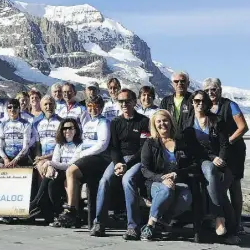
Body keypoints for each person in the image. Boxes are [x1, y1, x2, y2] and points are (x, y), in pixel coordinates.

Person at [90, 89, 150, 239]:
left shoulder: (143, 121)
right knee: (104, 181)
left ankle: (133, 227)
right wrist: (118, 163)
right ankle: (99, 223)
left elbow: (144, 148)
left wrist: (127, 165)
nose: (124, 104)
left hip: (137, 160)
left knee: (127, 180)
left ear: (134, 102)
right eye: (121, 101)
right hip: (119, 160)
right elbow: (114, 147)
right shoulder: (116, 122)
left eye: (127, 100)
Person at [139, 110, 206, 241]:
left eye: (165, 120)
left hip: (178, 181)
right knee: (166, 189)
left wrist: (177, 173)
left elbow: (194, 164)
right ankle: (150, 225)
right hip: (155, 183)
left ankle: (162, 222)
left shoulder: (181, 142)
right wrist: (161, 179)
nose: (162, 124)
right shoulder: (150, 143)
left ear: (171, 123)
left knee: (186, 196)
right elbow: (145, 170)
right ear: (154, 124)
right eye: (158, 121)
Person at [185, 90, 237, 243]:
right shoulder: (188, 122)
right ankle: (220, 218)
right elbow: (192, 148)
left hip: (220, 161)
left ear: (207, 103)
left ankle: (230, 229)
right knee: (209, 169)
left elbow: (224, 144)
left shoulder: (216, 120)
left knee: (219, 189)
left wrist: (220, 159)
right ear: (192, 103)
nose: (200, 104)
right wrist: (212, 158)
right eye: (196, 101)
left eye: (202, 101)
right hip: (200, 160)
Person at [54, 96, 111, 228]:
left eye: (96, 106)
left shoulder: (103, 122)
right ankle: (76, 214)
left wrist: (83, 154)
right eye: (90, 106)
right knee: (71, 177)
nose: (93, 109)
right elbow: (84, 143)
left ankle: (71, 210)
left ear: (101, 108)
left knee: (71, 170)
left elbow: (102, 144)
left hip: (99, 158)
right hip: (87, 158)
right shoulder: (87, 123)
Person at [203, 77, 248, 235]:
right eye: (207, 90)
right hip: (218, 152)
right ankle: (222, 219)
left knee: (234, 185)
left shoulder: (231, 105)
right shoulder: (207, 108)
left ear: (220, 90)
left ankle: (237, 222)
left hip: (234, 151)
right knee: (218, 184)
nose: (211, 92)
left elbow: (243, 127)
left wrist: (228, 141)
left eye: (213, 89)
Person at [32, 118, 84, 224]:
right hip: (60, 172)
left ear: (76, 130)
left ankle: (36, 203)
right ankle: (56, 213)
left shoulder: (80, 145)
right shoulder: (60, 144)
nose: (67, 131)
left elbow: (71, 165)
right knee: (51, 183)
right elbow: (55, 160)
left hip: (73, 173)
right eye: (64, 128)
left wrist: (50, 163)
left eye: (70, 128)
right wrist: (50, 166)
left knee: (52, 178)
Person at [0, 99, 32, 168]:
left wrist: (16, 159)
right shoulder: (2, 125)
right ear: (7, 109)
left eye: (15, 107)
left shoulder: (26, 124)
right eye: (9, 107)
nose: (12, 109)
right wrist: (5, 159)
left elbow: (26, 146)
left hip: (22, 157)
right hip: (7, 157)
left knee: (18, 169)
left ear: (19, 109)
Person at [32, 96, 63, 177]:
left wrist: (46, 157)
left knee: (46, 169)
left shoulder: (61, 122)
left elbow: (62, 145)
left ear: (55, 105)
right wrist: (38, 157)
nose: (48, 107)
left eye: (50, 104)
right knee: (39, 167)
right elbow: (38, 143)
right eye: (45, 104)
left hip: (56, 157)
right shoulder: (37, 123)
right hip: (42, 157)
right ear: (41, 107)